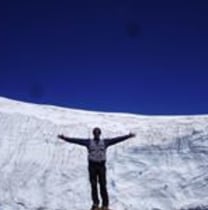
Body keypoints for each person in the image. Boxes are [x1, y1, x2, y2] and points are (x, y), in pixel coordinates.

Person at [58, 127, 136, 210]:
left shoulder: (105, 142)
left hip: (101, 166)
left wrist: (128, 136)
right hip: (92, 166)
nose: (96, 134)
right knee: (93, 185)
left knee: (103, 185)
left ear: (100, 134)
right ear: (93, 134)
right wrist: (65, 138)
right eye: (95, 133)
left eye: (98, 133)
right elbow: (77, 140)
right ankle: (95, 204)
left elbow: (116, 140)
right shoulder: (88, 142)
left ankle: (105, 205)